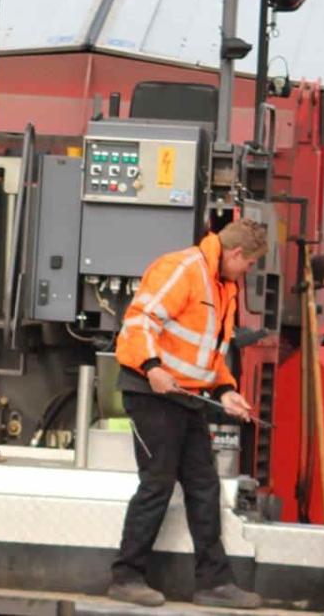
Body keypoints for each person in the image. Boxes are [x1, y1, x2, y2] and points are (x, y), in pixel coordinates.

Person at [107, 219, 269, 609]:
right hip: (151, 392)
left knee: (203, 486)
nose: (248, 272)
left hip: (187, 397)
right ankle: (126, 576)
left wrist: (227, 391)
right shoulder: (183, 269)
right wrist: (152, 367)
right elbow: (139, 319)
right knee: (157, 484)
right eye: (249, 265)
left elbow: (211, 356)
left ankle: (214, 583)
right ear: (234, 254)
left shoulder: (223, 287)